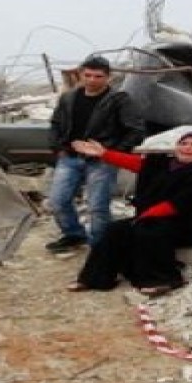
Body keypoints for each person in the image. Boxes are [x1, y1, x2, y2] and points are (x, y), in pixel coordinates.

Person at [65, 131, 192, 295]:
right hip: (163, 218)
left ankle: (164, 280)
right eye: (183, 143)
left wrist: (143, 218)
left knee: (149, 230)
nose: (187, 148)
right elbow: (139, 164)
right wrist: (104, 153)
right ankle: (94, 278)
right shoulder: (166, 163)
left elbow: (182, 203)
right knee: (116, 229)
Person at [45, 55, 144, 252]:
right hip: (70, 157)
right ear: (80, 74)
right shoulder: (69, 97)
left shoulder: (119, 100)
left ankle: (100, 246)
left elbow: (135, 130)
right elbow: (55, 125)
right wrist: (59, 148)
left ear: (108, 77)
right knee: (57, 201)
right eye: (87, 75)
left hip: (101, 161)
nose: (91, 80)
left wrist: (110, 153)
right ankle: (73, 234)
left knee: (97, 206)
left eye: (98, 76)